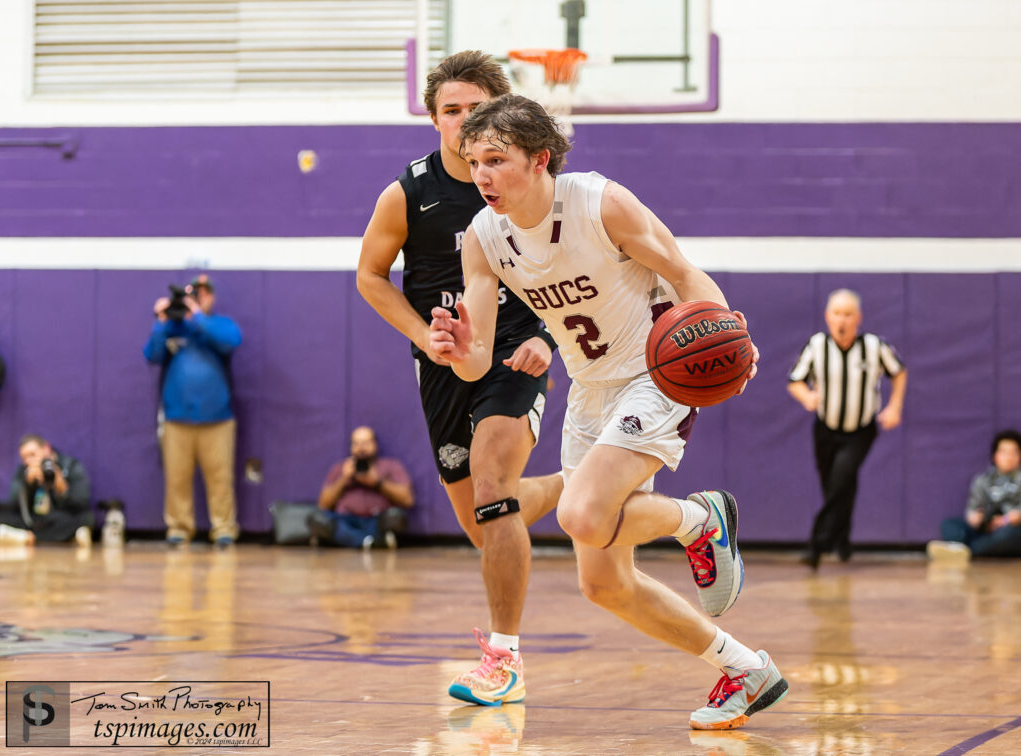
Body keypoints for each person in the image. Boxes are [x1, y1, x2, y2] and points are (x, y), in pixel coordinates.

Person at [430, 93, 787, 731]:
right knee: (603, 583)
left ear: (540, 159)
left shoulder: (599, 201)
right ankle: (745, 669)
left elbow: (681, 270)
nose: (480, 174)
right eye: (471, 160)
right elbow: (477, 358)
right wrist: (456, 350)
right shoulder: (485, 236)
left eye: (495, 158)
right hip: (590, 389)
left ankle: (701, 518)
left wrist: (728, 332)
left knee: (581, 513)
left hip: (657, 374)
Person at [357, 51, 564, 706]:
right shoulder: (409, 192)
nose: (463, 121)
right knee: (486, 523)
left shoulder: (529, 184)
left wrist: (547, 338)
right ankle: (579, 484)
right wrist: (424, 336)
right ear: (434, 119)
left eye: (476, 109)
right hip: (444, 356)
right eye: (451, 110)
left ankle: (504, 660)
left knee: (495, 486)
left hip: (514, 347)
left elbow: (579, 273)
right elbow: (369, 276)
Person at [788, 288, 907, 568]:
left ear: (858, 318)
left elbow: (899, 372)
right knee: (837, 486)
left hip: (860, 431)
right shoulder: (817, 345)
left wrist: (895, 407)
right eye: (837, 314)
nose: (842, 320)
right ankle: (843, 541)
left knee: (840, 482)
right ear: (828, 317)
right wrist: (807, 396)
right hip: (826, 429)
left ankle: (816, 546)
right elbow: (795, 380)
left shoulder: (874, 346)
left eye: (848, 314)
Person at [143, 273, 242, 547]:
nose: (199, 297)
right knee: (177, 479)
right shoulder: (173, 329)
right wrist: (162, 321)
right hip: (177, 419)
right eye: (194, 293)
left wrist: (196, 316)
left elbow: (232, 341)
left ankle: (223, 528)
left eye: (204, 293)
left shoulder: (219, 325)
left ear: (211, 297)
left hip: (217, 419)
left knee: (221, 478)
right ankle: (179, 528)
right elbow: (151, 354)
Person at [310, 426, 414, 549]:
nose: (361, 448)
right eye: (356, 443)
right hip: (345, 520)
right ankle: (369, 542)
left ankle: (353, 540)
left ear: (375, 444)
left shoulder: (391, 466)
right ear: (350, 447)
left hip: (376, 520)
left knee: (396, 516)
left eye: (365, 443)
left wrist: (377, 483)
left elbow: (408, 500)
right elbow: (323, 505)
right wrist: (343, 480)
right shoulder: (340, 469)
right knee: (318, 518)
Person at [928, 429, 1021, 561]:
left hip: (1010, 531)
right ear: (995, 455)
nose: (1009, 457)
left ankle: (965, 551)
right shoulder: (983, 480)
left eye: (1013, 452)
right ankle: (963, 548)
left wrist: (1005, 520)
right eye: (1004, 452)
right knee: (949, 525)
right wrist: (974, 518)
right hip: (986, 532)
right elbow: (973, 509)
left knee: (1008, 535)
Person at [0, 434, 92, 545]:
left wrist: (62, 489)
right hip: (33, 520)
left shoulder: (70, 465)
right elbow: (13, 504)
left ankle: (24, 537)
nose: (28, 461)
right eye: (24, 458)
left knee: (87, 518)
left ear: (46, 448)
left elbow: (82, 502)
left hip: (59, 517)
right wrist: (28, 485)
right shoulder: (22, 470)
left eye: (32, 454)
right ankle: (67, 536)